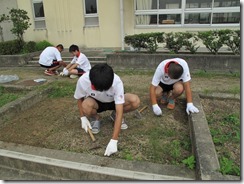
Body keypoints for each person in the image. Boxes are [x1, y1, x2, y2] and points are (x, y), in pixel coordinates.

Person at [74, 63, 140, 156]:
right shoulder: (83, 80)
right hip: (96, 102)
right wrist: (82, 117)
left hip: (113, 101)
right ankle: (96, 118)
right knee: (85, 105)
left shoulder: (116, 82)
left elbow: (119, 113)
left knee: (135, 101)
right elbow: (79, 98)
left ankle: (113, 115)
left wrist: (114, 140)